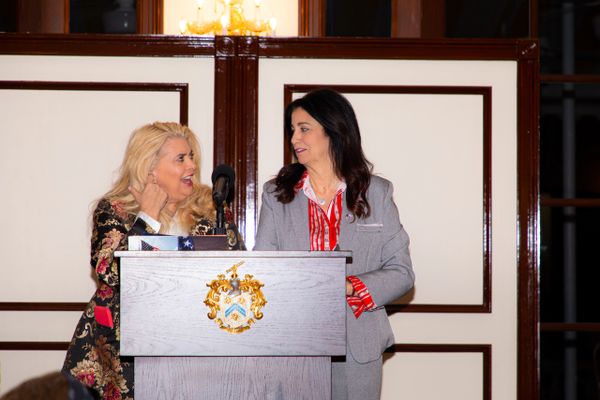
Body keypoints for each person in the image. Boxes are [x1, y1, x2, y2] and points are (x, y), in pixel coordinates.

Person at [62, 122, 244, 399]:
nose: (192, 166)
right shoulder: (116, 210)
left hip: (198, 346)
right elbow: (110, 273)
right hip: (125, 355)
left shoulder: (211, 209)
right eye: (180, 159)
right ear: (150, 168)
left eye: (191, 156)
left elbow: (239, 272)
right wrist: (147, 217)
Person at [254, 89, 414, 400]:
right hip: (293, 344)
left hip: (359, 345)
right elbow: (263, 271)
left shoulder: (376, 193)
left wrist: (348, 286)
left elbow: (402, 273)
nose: (294, 138)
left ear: (334, 131)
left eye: (304, 128)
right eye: (292, 130)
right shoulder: (276, 195)